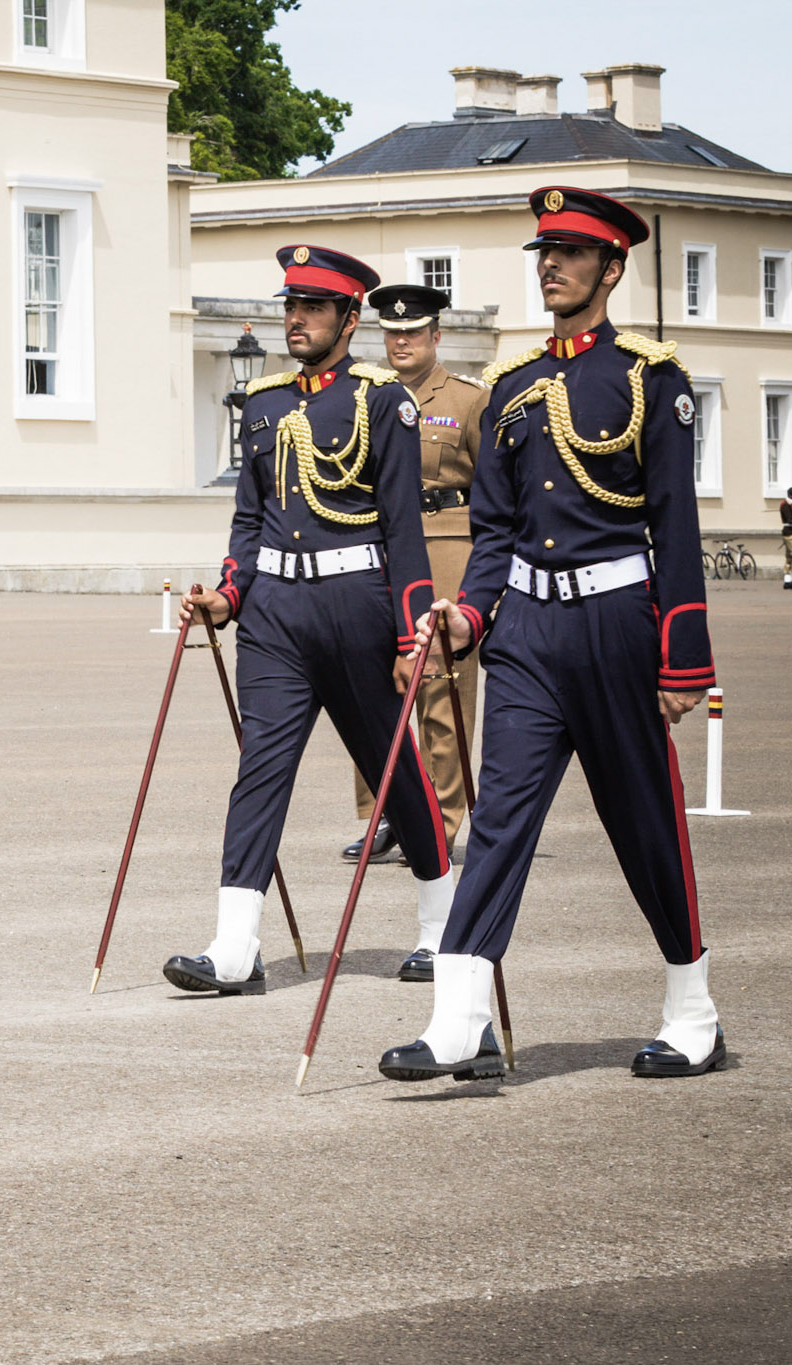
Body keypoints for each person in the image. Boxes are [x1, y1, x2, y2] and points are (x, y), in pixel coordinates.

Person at [383, 187, 724, 1083]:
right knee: (496, 820)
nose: (552, 264)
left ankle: (693, 1009)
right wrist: (468, 615)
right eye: (544, 250)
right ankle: (459, 1020)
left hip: (617, 623)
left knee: (642, 820)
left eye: (571, 252)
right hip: (526, 631)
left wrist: (684, 653)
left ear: (611, 269)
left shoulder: (653, 379)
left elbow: (675, 523)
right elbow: (492, 533)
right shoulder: (514, 391)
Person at [171, 246, 452, 998]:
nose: (295, 318)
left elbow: (404, 530)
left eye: (314, 307)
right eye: (291, 304)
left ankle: (441, 921)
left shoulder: (382, 402)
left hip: (359, 610)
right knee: (260, 769)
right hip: (276, 616)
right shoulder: (262, 403)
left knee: (394, 772)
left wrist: (410, 632)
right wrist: (229, 595)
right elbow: (250, 516)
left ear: (349, 318)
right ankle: (234, 947)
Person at [338, 288, 490, 959]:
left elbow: (496, 488)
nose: (401, 344)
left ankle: (445, 817)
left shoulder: (465, 399)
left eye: (414, 334)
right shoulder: (364, 397)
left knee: (441, 688)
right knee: (375, 681)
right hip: (378, 545)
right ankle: (384, 814)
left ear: (436, 335)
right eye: (391, 334)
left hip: (447, 539)